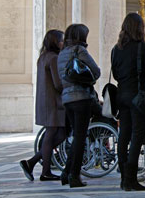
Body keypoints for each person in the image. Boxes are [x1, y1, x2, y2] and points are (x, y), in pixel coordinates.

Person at [111, 13, 145, 191]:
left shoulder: (116, 49)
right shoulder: (142, 48)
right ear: (140, 28)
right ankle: (131, 179)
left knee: (123, 135)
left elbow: (115, 73)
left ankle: (124, 178)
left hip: (121, 95)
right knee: (137, 136)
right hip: (137, 97)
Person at [57, 24, 100, 188]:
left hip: (67, 99)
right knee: (80, 138)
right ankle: (74, 176)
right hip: (81, 97)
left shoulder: (61, 53)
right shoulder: (79, 50)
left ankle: (66, 173)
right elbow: (95, 71)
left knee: (77, 137)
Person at [20, 30, 66, 182]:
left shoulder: (43, 57)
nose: (63, 43)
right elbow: (58, 83)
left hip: (46, 101)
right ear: (55, 42)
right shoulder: (53, 58)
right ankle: (45, 171)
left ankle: (32, 162)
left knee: (57, 134)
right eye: (61, 40)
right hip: (52, 102)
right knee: (52, 134)